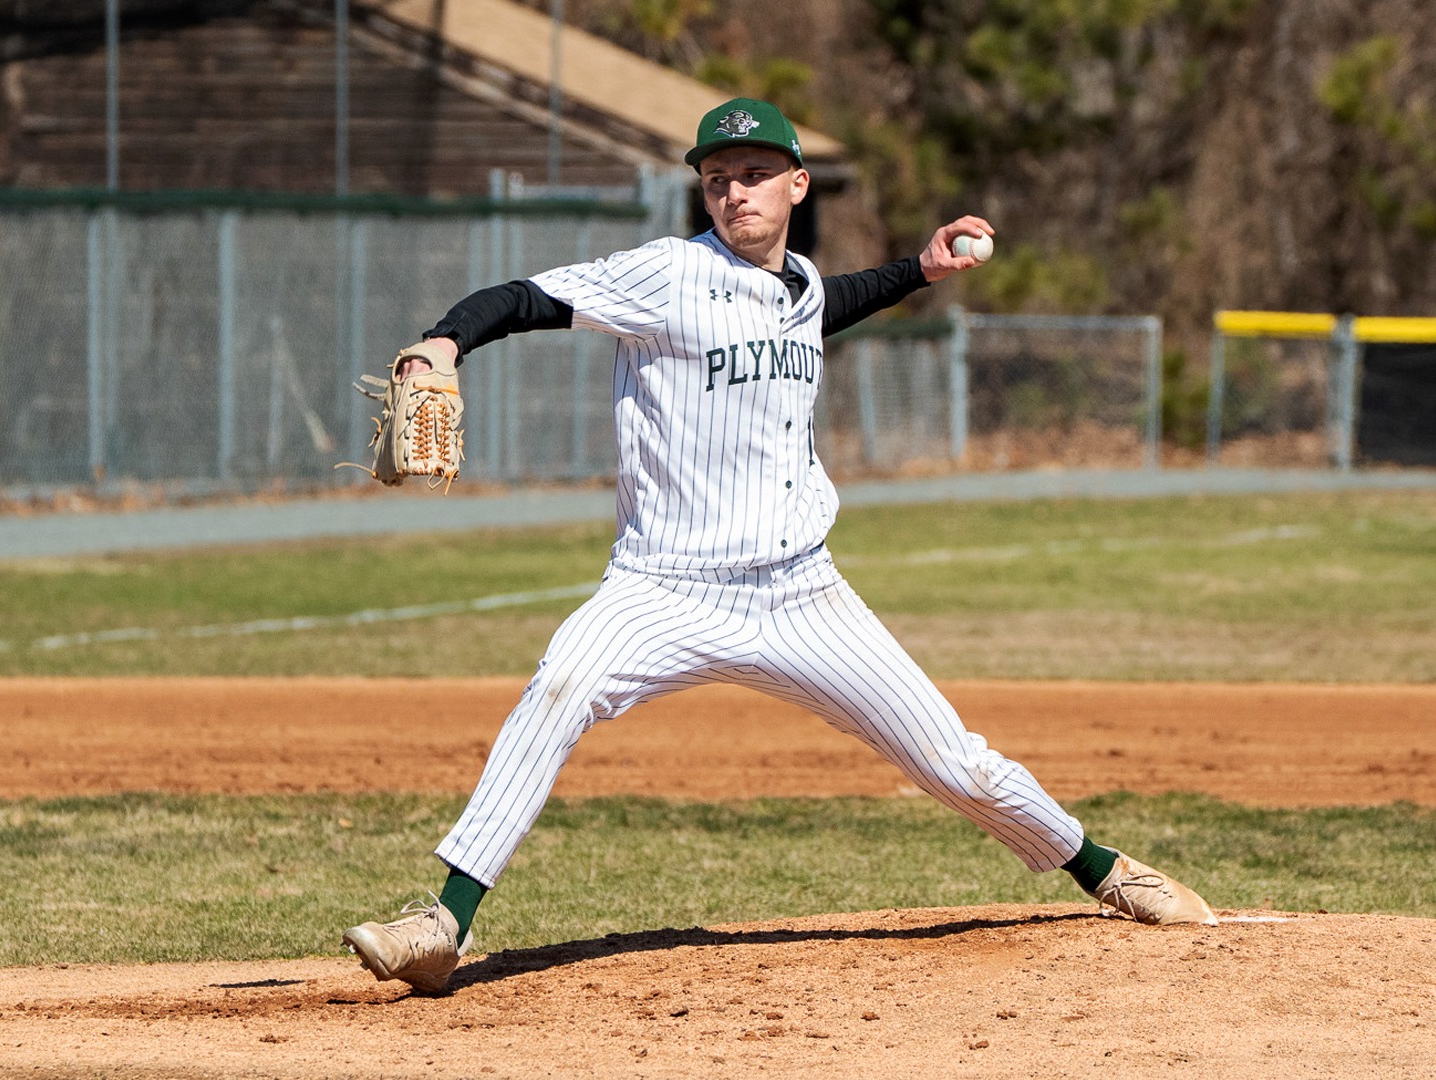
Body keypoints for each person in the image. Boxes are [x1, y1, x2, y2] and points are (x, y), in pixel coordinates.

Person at [342, 98, 1215, 992]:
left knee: (954, 758)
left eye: (755, 175)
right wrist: (446, 340)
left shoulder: (797, 282)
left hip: (802, 593)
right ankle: (444, 921)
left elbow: (825, 305)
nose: (734, 193)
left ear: (798, 184)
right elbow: (526, 298)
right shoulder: (665, 275)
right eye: (718, 180)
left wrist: (919, 268)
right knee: (557, 690)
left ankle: (1104, 869)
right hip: (661, 589)